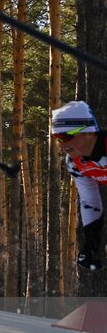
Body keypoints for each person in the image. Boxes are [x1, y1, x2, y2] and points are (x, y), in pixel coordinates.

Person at [51, 100, 105, 272]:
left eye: (66, 136)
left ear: (88, 131)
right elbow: (90, 202)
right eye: (56, 138)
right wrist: (90, 243)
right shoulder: (75, 163)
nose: (62, 144)